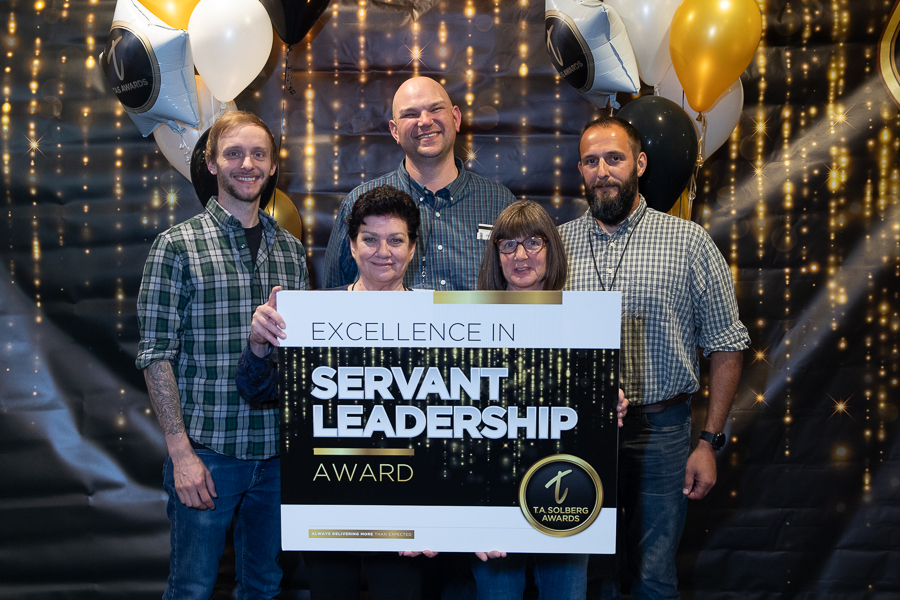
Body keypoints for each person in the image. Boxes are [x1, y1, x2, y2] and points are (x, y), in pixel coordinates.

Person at [559, 117, 750, 599]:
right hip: (578, 430)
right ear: (580, 170)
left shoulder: (688, 242)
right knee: (586, 573)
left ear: (640, 163)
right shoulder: (557, 245)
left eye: (614, 158)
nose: (602, 171)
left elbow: (727, 343)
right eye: (590, 161)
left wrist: (709, 442)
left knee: (655, 575)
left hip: (662, 431)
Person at [136, 111, 309, 599]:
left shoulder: (291, 252)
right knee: (191, 588)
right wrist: (181, 455)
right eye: (233, 153)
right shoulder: (176, 247)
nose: (246, 164)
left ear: (272, 165)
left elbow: (300, 358)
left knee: (264, 586)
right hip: (208, 452)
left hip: (276, 456)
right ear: (211, 163)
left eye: (258, 154)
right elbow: (155, 355)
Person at [235, 184, 428, 600]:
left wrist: (441, 517)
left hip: (407, 507)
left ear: (413, 248)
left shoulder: (436, 320)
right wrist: (258, 344)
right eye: (370, 239)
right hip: (327, 499)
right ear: (352, 246)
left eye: (396, 240)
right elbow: (257, 389)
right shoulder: (313, 314)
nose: (383, 252)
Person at [473, 200, 627, 600]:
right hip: (491, 496)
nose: (520, 255)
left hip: (564, 494)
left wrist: (608, 401)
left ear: (551, 248)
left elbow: (591, 398)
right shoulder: (470, 320)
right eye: (508, 245)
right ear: (496, 255)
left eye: (533, 243)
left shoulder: (585, 318)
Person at [323, 76, 515, 291]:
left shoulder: (500, 203)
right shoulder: (357, 204)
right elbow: (334, 298)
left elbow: (520, 291)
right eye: (410, 114)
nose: (424, 121)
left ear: (456, 118)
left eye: (435, 109)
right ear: (395, 131)